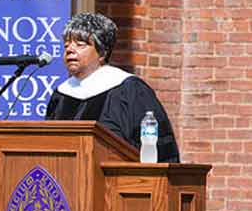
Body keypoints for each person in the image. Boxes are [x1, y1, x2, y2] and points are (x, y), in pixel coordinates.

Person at [44, 12, 180, 162]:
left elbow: (158, 149)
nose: (70, 50)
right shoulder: (62, 94)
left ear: (102, 53)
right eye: (66, 45)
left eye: (80, 45)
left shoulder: (129, 90)